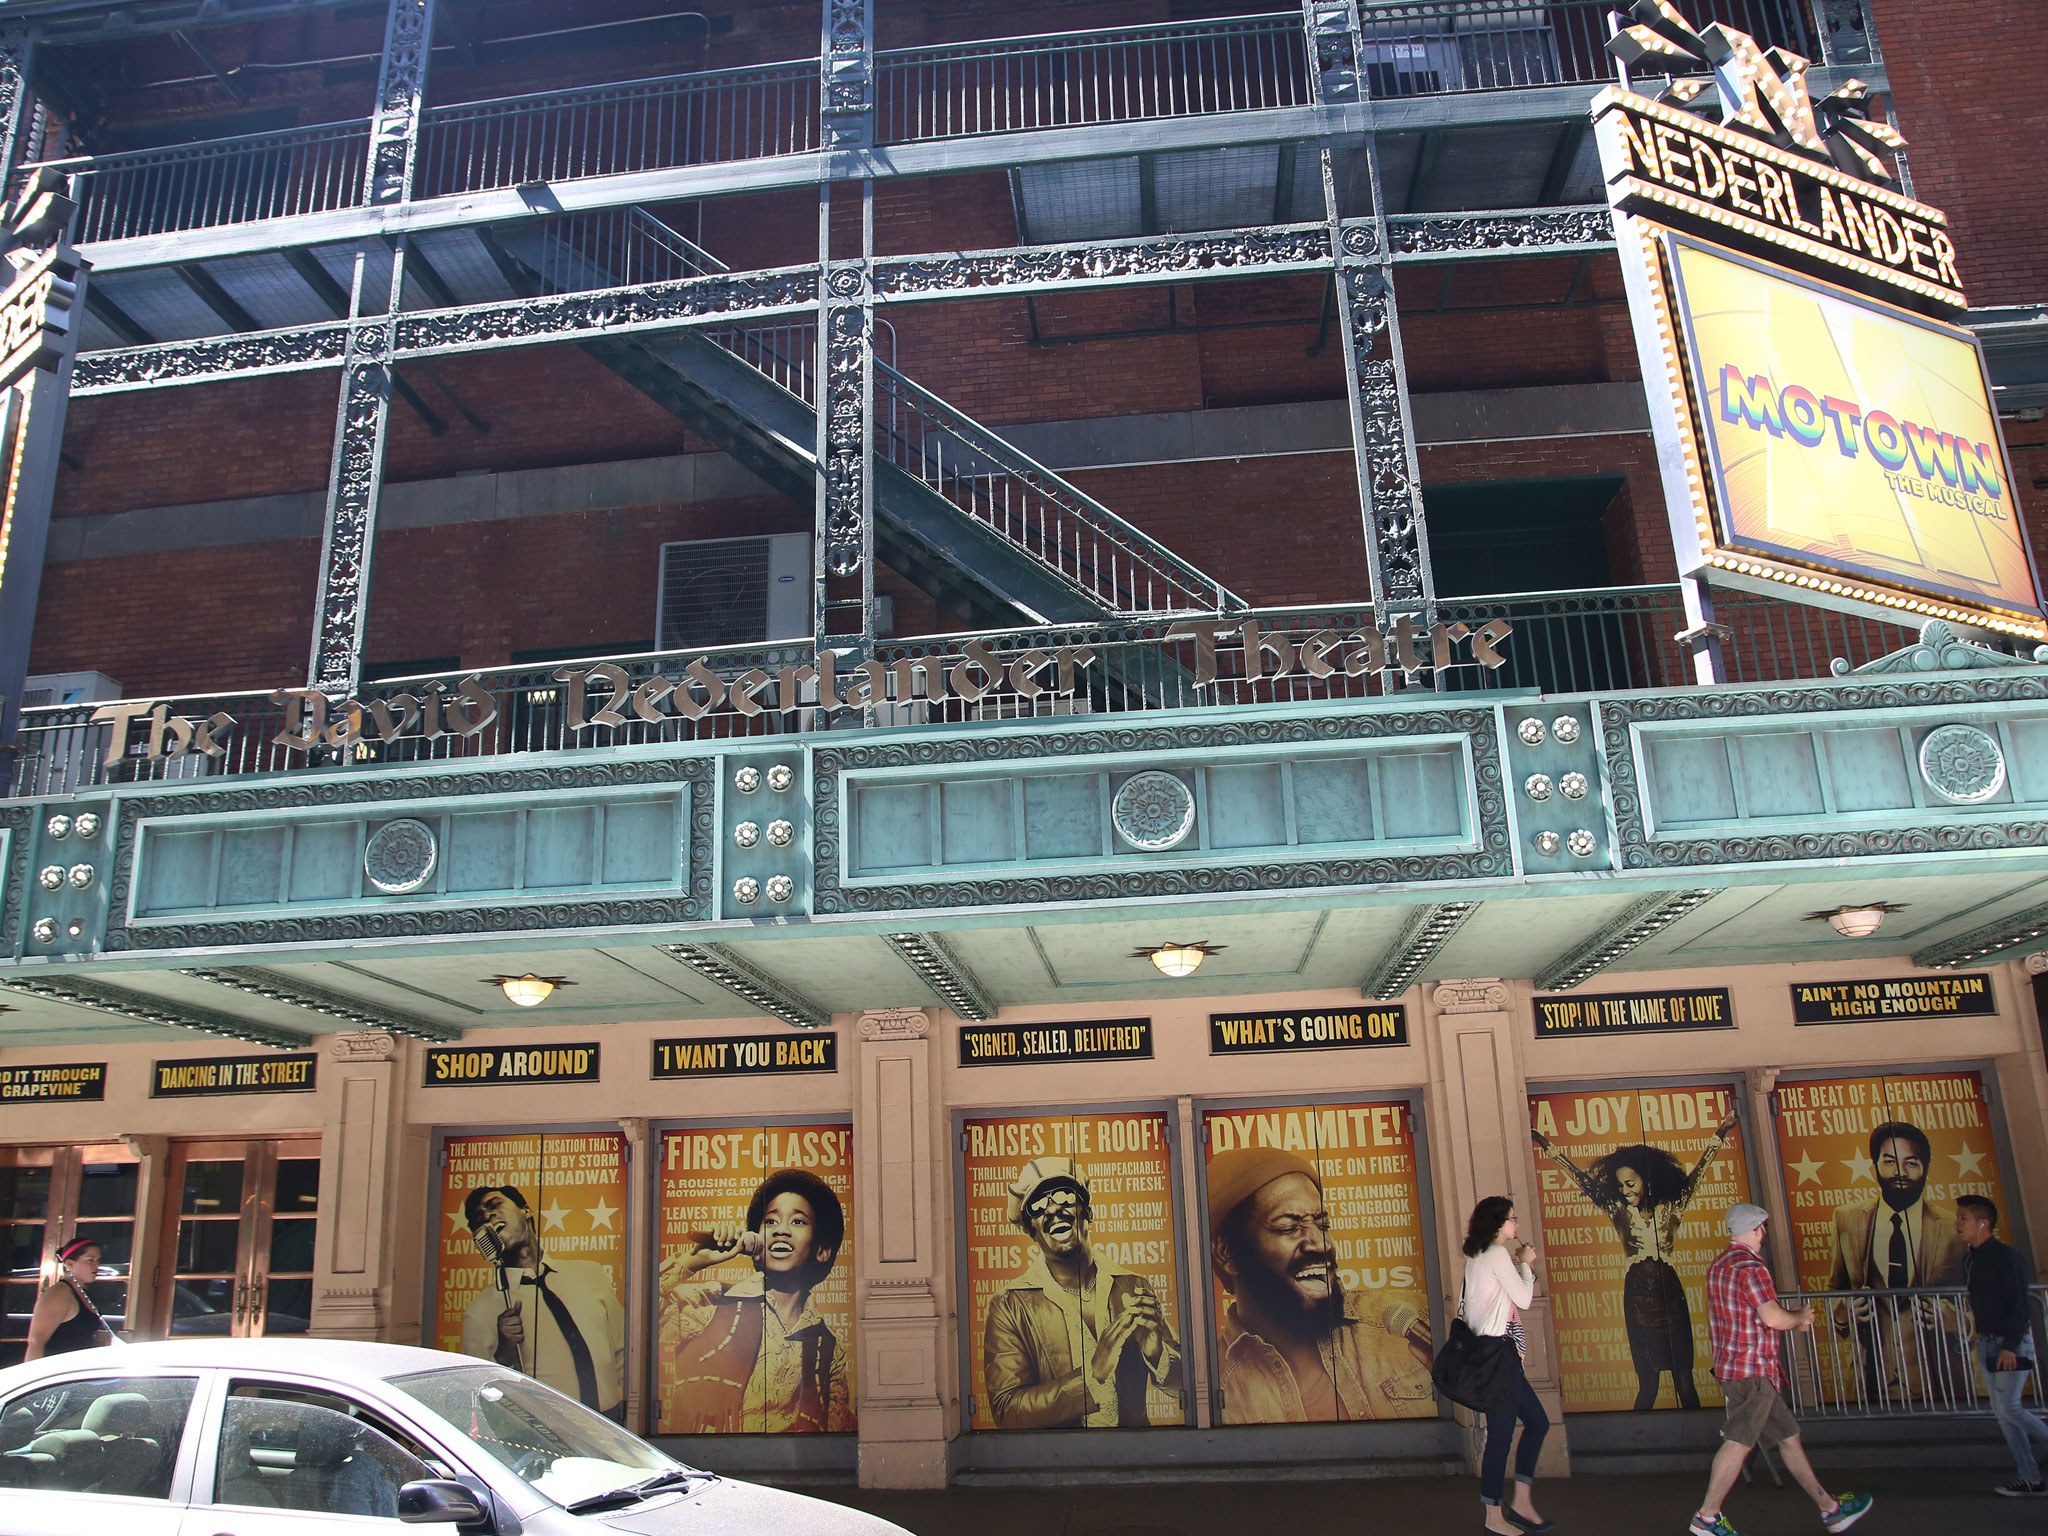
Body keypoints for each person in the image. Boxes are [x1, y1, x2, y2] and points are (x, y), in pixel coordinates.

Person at [1207, 1146, 1434, 1423]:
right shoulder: (1214, 1381)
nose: (1322, 1244)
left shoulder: (1410, 1322)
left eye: (1322, 1225)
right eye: (1288, 1227)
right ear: (1227, 1253)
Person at [1533, 1113, 1738, 1410]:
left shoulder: (1674, 1205)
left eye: (1630, 1183)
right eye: (1620, 1186)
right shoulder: (1617, 1211)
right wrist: (1543, 1143)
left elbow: (1700, 1170)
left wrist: (1721, 1131)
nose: (1626, 1191)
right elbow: (1580, 1177)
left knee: (1685, 1378)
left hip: (1671, 1296)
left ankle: (1703, 1435)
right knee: (1648, 1383)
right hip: (1638, 1298)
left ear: (1646, 1177)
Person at [1690, 1202, 1872, 1536]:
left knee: (1789, 1438)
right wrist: (1800, 1319)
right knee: (1739, 1441)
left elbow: (1752, 1312)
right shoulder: (1752, 1267)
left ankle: (1830, 1509)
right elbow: (1771, 1317)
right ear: (1759, 1228)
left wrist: (1790, 1316)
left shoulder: (1720, 1265)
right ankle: (1707, 1517)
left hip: (1735, 1368)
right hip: (1754, 1370)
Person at [982, 1156, 1181, 1428]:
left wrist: (1157, 1354)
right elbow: (1007, 1411)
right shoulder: (1009, 1305)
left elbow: (1187, 1383)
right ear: (1031, 1230)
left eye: (1065, 1196)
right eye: (1039, 1206)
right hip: (1058, 1462)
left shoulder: (1133, 1285)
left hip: (1136, 1454)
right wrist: (1092, 1377)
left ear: (1088, 1212)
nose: (1053, 1210)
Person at [657, 1168, 852, 1434]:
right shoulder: (712, 1302)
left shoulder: (829, 1348)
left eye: (797, 1222)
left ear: (822, 1250)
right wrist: (693, 1262)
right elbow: (637, 1321)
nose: (781, 1231)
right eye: (770, 1221)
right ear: (756, 1241)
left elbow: (835, 1432)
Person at [459, 1185, 627, 1420]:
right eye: (479, 1218)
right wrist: (505, 1352)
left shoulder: (589, 1274)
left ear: (526, 1211)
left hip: (612, 1423)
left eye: (495, 1205)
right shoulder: (481, 1311)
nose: (487, 1216)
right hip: (548, 1432)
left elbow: (622, 1352)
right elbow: (480, 1395)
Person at [1827, 1120, 1967, 1401]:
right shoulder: (1847, 1219)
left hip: (1938, 1383)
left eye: (1911, 1163)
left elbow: (1984, 1302)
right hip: (1870, 1382)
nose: (1899, 1172)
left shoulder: (1953, 1227)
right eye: (1889, 1161)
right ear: (1875, 1165)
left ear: (1926, 1167)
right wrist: (1843, 1314)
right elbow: (1835, 1294)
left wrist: (1959, 1322)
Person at [1462, 1195, 1551, 1536]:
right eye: (1513, 1219)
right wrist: (1526, 1263)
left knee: (1537, 1422)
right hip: (1498, 1355)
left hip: (1496, 1356)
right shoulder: (1497, 1254)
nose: (1516, 1224)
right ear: (1499, 1224)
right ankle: (1494, 1517)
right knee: (1501, 1436)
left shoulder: (1478, 1256)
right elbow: (1525, 1299)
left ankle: (1521, 1503)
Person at [1955, 1193, 2048, 1496]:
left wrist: (2010, 1344)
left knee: (2010, 1409)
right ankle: (2030, 1478)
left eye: (1963, 1218)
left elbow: (2020, 1306)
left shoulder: (2006, 1257)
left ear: (1984, 1224)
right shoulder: (1971, 1259)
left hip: (2011, 1344)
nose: (1958, 1223)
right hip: (1988, 1343)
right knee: (2004, 1415)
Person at [23, 1237, 114, 1359]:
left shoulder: (83, 1292)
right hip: (57, 1372)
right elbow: (36, 1342)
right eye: (90, 1260)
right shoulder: (59, 1294)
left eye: (98, 1260)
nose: (96, 1265)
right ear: (70, 1264)